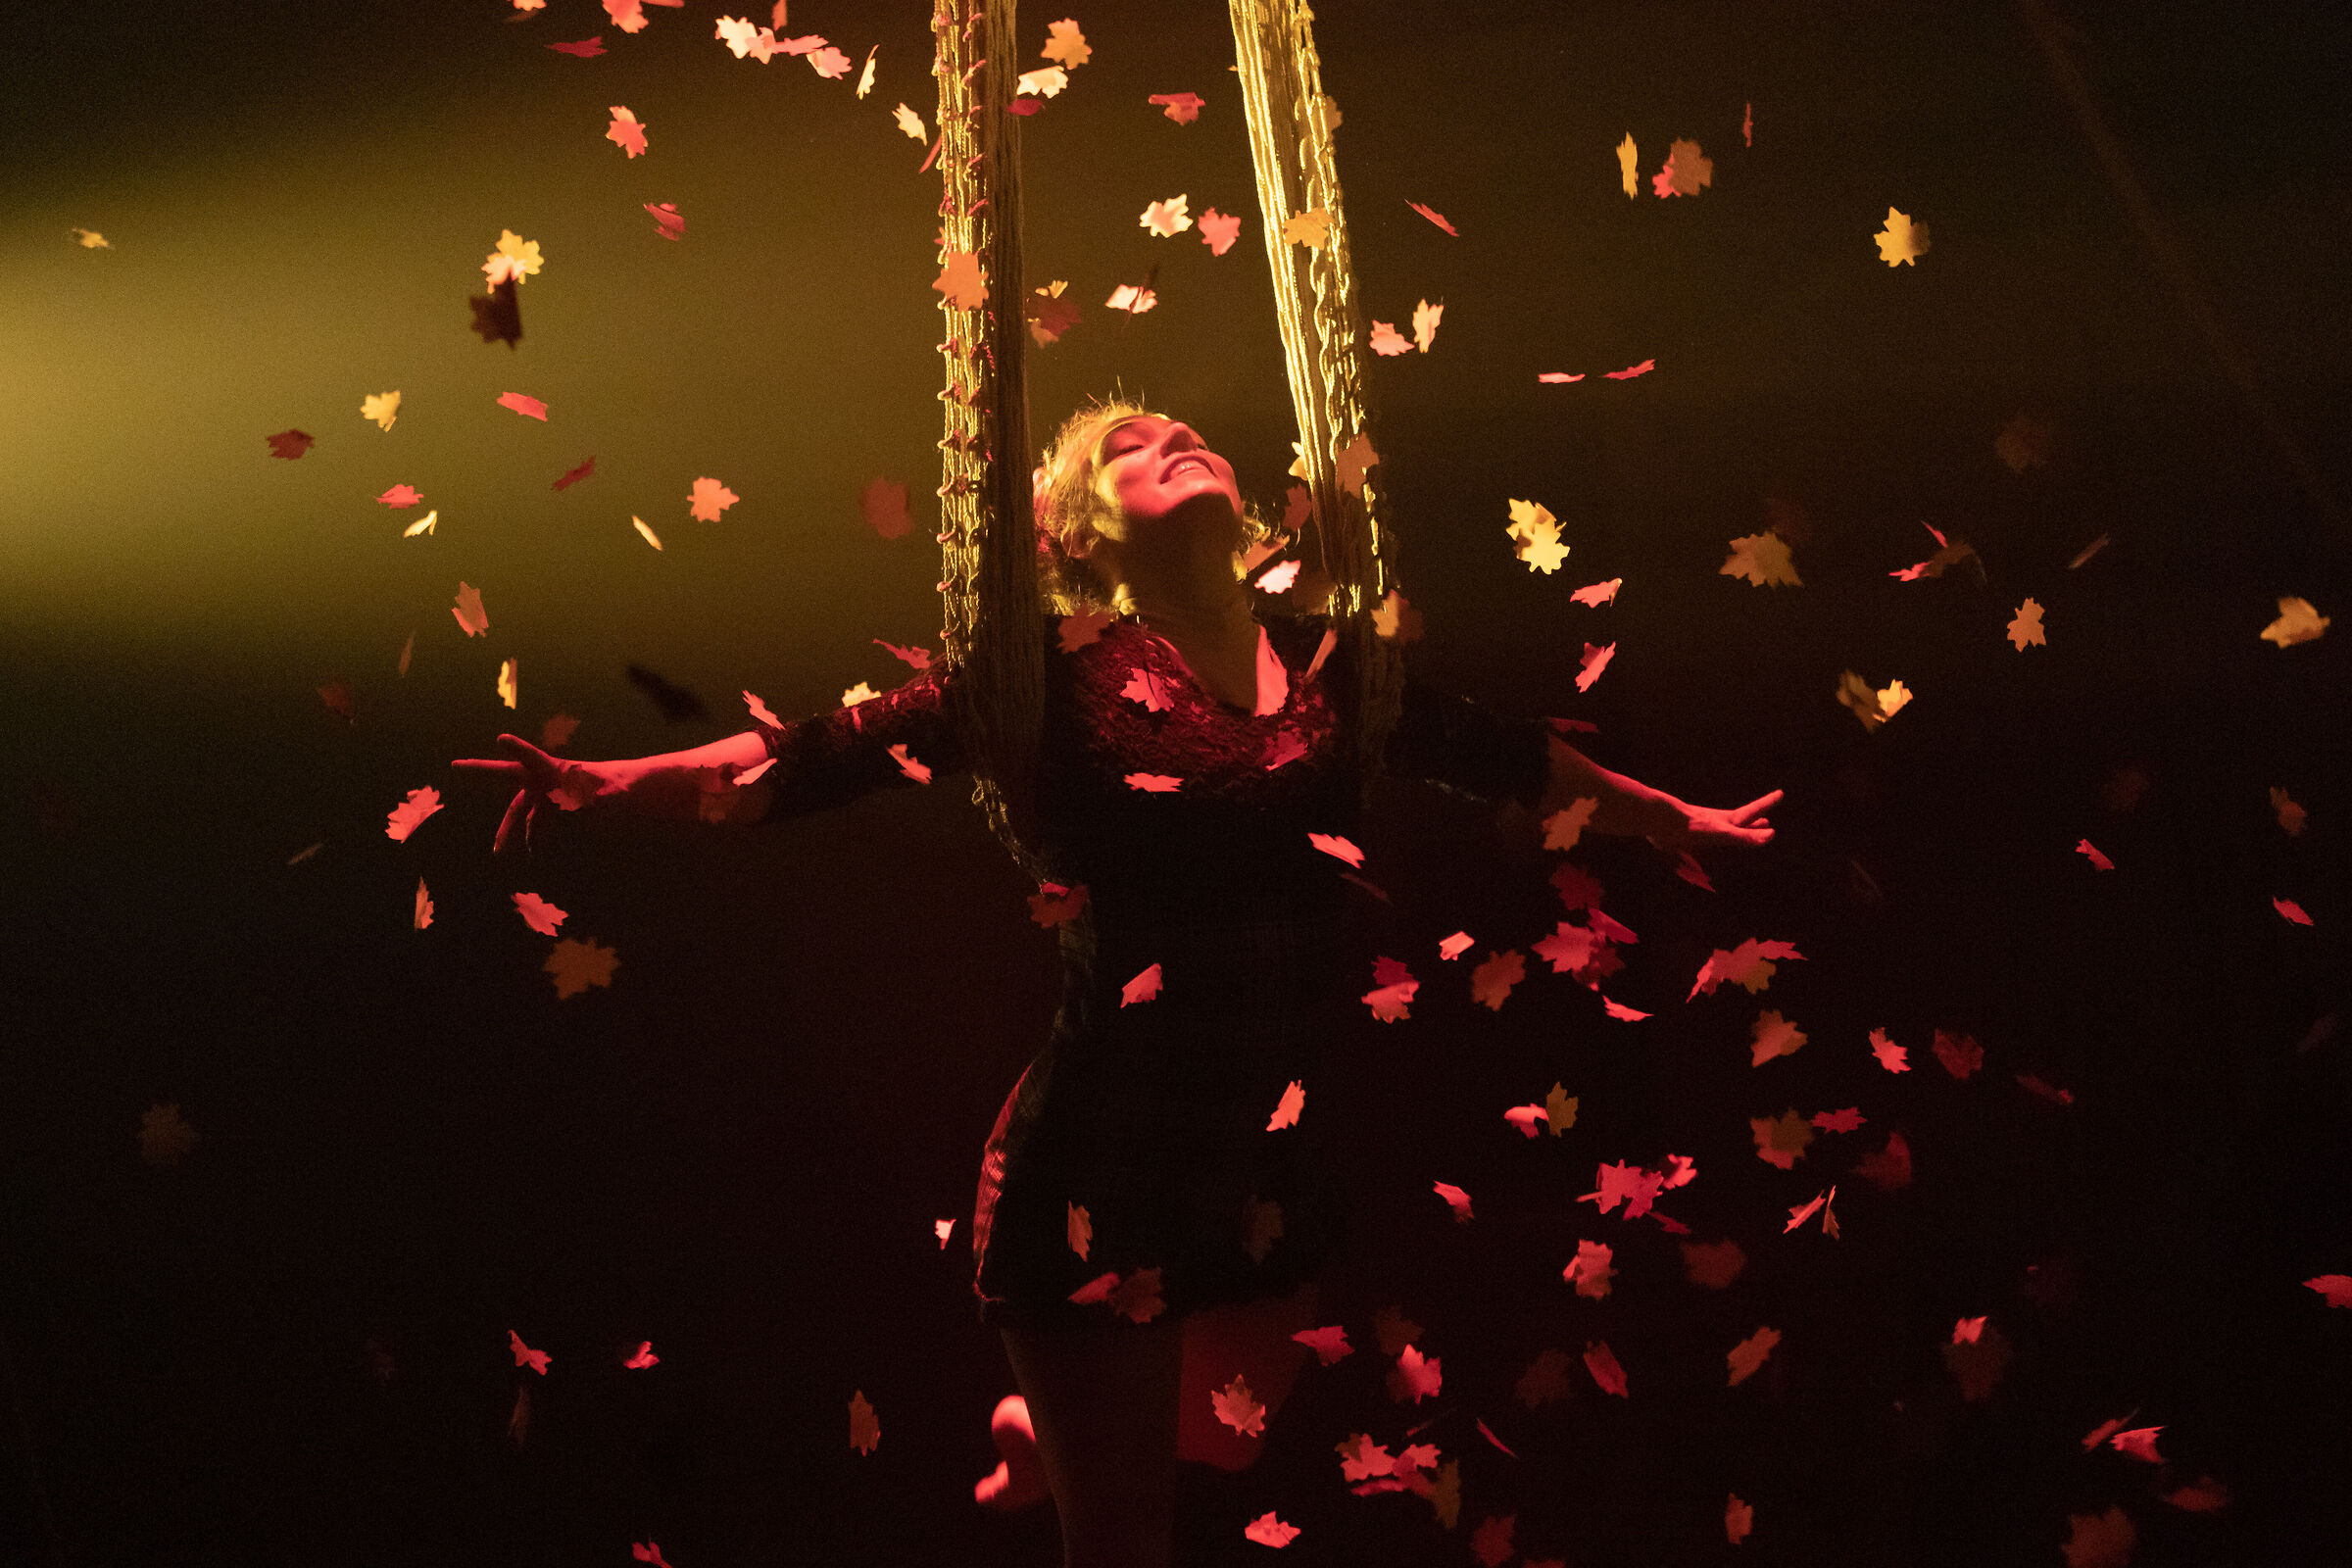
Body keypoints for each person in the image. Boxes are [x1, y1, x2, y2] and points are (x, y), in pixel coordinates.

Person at [455, 401, 1779, 1568]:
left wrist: (1674, 821)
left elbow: (1508, 759)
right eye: (1130, 451)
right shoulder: (1047, 677)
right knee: (1127, 1536)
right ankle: (1070, 1439)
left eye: (1183, 434)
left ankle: (1046, 1425)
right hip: (1105, 1155)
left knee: (1230, 1444)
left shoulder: (1331, 668)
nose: (1174, 442)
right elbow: (817, 757)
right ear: (1082, 537)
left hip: (1269, 1154)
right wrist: (616, 782)